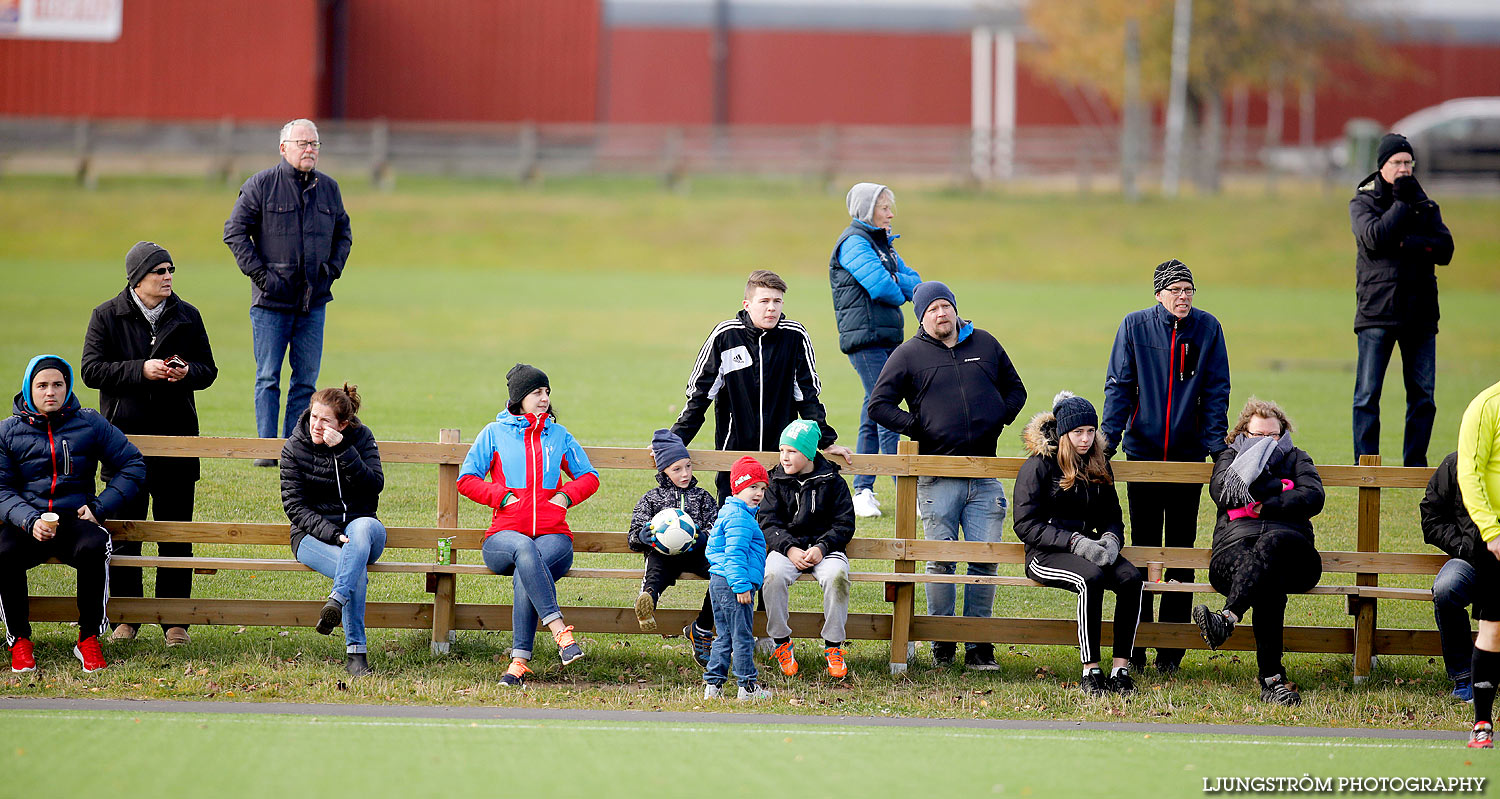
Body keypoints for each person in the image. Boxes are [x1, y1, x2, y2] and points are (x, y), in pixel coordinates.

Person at [868, 280, 1027, 670]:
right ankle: (942, 642)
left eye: (945, 306)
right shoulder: (908, 354)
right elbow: (879, 405)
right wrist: (919, 426)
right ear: (922, 318)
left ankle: (979, 645)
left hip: (986, 474)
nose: (941, 314)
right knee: (940, 561)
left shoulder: (985, 344)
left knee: (984, 561)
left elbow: (1016, 391)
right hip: (937, 476)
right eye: (932, 309)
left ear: (955, 309)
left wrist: (995, 418)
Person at [82, 241, 218, 647]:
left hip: (178, 442)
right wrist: (141, 370)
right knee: (125, 532)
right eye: (160, 271)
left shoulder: (188, 316)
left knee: (175, 532)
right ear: (137, 278)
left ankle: (175, 621)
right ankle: (127, 616)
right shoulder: (106, 316)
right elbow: (91, 370)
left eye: (171, 269)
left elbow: (208, 370)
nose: (168, 276)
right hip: (124, 445)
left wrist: (184, 372)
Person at [1101, 258, 1231, 675]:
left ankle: (1171, 651)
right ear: (1158, 294)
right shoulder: (1135, 327)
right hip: (1143, 457)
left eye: (1188, 290)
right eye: (1175, 290)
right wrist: (1108, 441)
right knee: (1140, 551)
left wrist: (1216, 448)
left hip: (1188, 460)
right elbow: (1120, 386)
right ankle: (1137, 644)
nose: (1183, 297)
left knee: (1179, 551)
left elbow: (1215, 390)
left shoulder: (1208, 329)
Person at [0, 356, 146, 674]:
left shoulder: (89, 422)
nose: (50, 391)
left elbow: (133, 464)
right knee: (3, 551)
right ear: (28, 389)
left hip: (75, 519)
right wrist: (29, 520)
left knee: (95, 545)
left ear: (67, 387)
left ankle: (88, 638)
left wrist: (99, 507)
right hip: (28, 522)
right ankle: (19, 641)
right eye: (42, 385)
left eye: (58, 384)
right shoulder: (7, 431)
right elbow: (1, 489)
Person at [459, 364, 600, 687]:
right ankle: (560, 633)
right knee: (524, 549)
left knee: (529, 564)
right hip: (503, 540)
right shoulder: (493, 433)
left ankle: (519, 663)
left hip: (554, 539)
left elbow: (589, 477)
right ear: (519, 398)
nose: (544, 398)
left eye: (547, 392)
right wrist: (503, 497)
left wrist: (565, 497)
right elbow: (466, 480)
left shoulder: (559, 436)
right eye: (537, 392)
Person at [223, 118, 353, 464]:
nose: (309, 149)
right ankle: (267, 451)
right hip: (270, 304)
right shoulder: (261, 185)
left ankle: (294, 448)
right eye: (302, 143)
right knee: (268, 377)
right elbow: (234, 231)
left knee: (306, 381)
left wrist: (331, 272)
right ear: (284, 148)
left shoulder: (329, 188)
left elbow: (344, 234)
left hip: (314, 303)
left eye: (314, 144)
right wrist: (263, 278)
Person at [671, 269, 852, 503]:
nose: (772, 308)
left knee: (776, 522)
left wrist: (826, 441)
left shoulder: (795, 336)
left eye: (777, 301)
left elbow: (807, 396)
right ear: (747, 304)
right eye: (764, 301)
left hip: (783, 453)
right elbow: (699, 396)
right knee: (736, 518)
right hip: (734, 451)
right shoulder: (725, 336)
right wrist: (675, 441)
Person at [1192, 399, 1324, 707]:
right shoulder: (1229, 456)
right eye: (1258, 435)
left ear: (1283, 433)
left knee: (1271, 547)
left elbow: (1314, 497)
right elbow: (1223, 492)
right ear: (1243, 433)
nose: (1266, 441)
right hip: (1234, 552)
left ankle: (1227, 618)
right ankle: (1273, 682)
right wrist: (1282, 485)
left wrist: (1268, 502)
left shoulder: (1297, 457)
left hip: (1295, 554)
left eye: (1273, 436)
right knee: (1267, 582)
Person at [1015, 392, 1142, 696]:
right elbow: (1025, 524)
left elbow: (1113, 516)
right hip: (1045, 554)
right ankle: (1091, 671)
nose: (1085, 439)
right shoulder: (1038, 466)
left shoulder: (1098, 464)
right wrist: (1073, 542)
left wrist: (1112, 540)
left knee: (1131, 579)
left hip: (1091, 549)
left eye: (1090, 431)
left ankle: (1120, 669)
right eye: (1077, 432)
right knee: (1091, 578)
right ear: (1063, 433)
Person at [1349, 133, 1454, 468]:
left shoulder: (1425, 203)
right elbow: (1376, 238)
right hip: (1378, 311)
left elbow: (1445, 249)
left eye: (1409, 162)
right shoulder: (1363, 203)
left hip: (1420, 314)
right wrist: (1401, 205)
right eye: (1397, 162)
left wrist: (1408, 243)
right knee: (1367, 395)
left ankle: (1414, 466)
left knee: (1423, 396)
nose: (1404, 168)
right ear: (1382, 166)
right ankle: (1366, 466)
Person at [279, 383, 386, 678]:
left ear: (343, 424)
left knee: (361, 531)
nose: (317, 425)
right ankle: (356, 655)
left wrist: (342, 449)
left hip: (362, 528)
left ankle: (336, 600)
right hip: (312, 536)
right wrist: (333, 535)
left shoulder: (361, 438)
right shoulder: (295, 446)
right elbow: (295, 507)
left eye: (325, 420)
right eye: (314, 417)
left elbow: (374, 485)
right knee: (354, 570)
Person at [829, 183, 921, 518]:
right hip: (864, 339)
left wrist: (905, 286)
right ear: (868, 210)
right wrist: (902, 290)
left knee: (874, 405)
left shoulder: (881, 244)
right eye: (884, 208)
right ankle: (904, 490)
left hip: (885, 337)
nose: (890, 213)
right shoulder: (854, 241)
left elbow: (915, 280)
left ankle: (863, 490)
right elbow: (883, 287)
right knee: (885, 405)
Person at [759, 419, 856, 679]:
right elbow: (767, 522)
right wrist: (789, 549)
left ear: (810, 453)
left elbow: (845, 524)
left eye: (792, 451)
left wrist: (823, 547)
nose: (785, 457)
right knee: (772, 576)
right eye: (782, 451)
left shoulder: (832, 481)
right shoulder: (775, 481)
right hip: (786, 548)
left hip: (826, 549)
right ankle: (781, 642)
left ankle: (834, 646)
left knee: (837, 577)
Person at [628, 429, 718, 667]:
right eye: (677, 469)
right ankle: (648, 599)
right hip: (664, 553)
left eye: (688, 466)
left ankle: (702, 627)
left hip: (697, 552)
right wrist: (642, 536)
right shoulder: (652, 499)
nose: (685, 473)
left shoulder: (703, 497)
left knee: (722, 574)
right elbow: (633, 534)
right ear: (663, 471)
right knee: (657, 569)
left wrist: (704, 537)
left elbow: (716, 526)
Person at [703, 456, 773, 701]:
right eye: (752, 487)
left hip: (719, 581)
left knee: (724, 635)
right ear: (737, 487)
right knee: (742, 636)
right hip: (734, 584)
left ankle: (713, 686)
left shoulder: (731, 511)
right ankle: (747, 687)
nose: (758, 494)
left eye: (763, 488)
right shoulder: (740, 519)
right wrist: (741, 585)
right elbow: (735, 554)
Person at [1456, 379, 1500, 749]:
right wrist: (1491, 531)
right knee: (1494, 629)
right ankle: (1482, 724)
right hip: (1497, 540)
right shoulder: (1487, 406)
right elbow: (1469, 474)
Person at [1421, 451, 1481, 702]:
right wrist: (1462, 547)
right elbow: (1431, 517)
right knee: (1446, 588)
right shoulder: (1457, 462)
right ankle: (1464, 676)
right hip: (1469, 561)